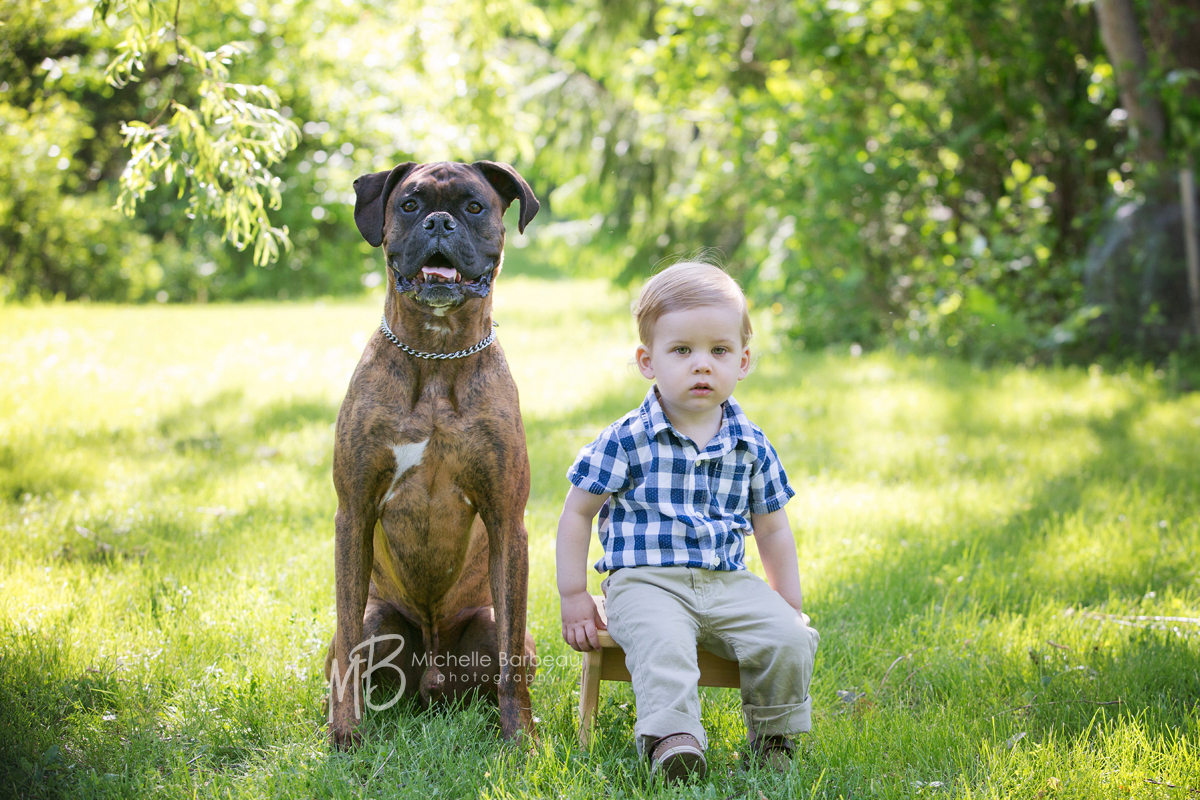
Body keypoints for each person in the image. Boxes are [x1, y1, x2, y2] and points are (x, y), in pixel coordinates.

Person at [556, 260, 820, 782]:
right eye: (682, 351)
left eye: (718, 351)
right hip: (645, 582)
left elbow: (771, 527)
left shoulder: (751, 444)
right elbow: (577, 512)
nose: (702, 365)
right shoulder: (626, 439)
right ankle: (673, 739)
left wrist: (787, 601)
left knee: (790, 637)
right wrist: (573, 594)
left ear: (743, 361)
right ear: (647, 360)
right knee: (662, 641)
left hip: (727, 582)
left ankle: (773, 738)